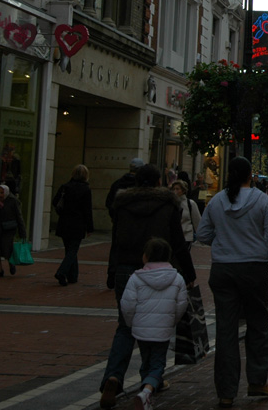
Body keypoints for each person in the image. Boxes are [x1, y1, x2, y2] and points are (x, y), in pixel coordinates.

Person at [100, 164, 196, 410]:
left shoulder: (122, 205)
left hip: (125, 268)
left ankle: (113, 376)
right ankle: (150, 379)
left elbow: (116, 239)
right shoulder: (167, 204)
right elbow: (177, 239)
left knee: (125, 327)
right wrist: (189, 272)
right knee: (157, 323)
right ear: (157, 183)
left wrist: (112, 270)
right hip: (159, 268)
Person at [196, 156, 268, 408]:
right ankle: (257, 381)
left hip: (223, 270)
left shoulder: (216, 201)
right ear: (251, 175)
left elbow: (202, 234)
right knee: (258, 325)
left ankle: (226, 391)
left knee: (226, 330)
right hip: (253, 269)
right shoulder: (262, 201)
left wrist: (224, 240)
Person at [119, 237, 188, 410]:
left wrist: (131, 323)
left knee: (146, 360)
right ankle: (147, 392)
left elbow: (127, 305)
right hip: (163, 329)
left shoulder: (136, 278)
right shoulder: (177, 279)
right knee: (158, 364)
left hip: (141, 329)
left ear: (146, 256)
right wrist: (172, 321)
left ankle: (145, 389)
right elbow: (181, 305)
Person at [53, 164, 95, 286]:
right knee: (73, 249)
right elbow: (87, 210)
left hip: (64, 221)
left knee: (69, 249)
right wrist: (90, 227)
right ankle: (62, 272)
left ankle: (73, 276)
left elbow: (55, 202)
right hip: (78, 223)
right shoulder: (86, 190)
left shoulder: (65, 187)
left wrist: (62, 211)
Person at [0, 184, 25, 277]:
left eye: (2, 193)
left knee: (7, 247)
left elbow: (19, 217)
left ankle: (11, 263)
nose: (0, 195)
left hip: (8, 229)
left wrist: (22, 232)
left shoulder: (13, 201)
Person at [170, 180, 201, 247]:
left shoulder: (190, 204)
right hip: (173, 236)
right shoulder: (171, 204)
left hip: (186, 237)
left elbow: (197, 221)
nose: (175, 191)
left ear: (183, 190)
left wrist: (200, 237)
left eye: (177, 189)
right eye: (173, 189)